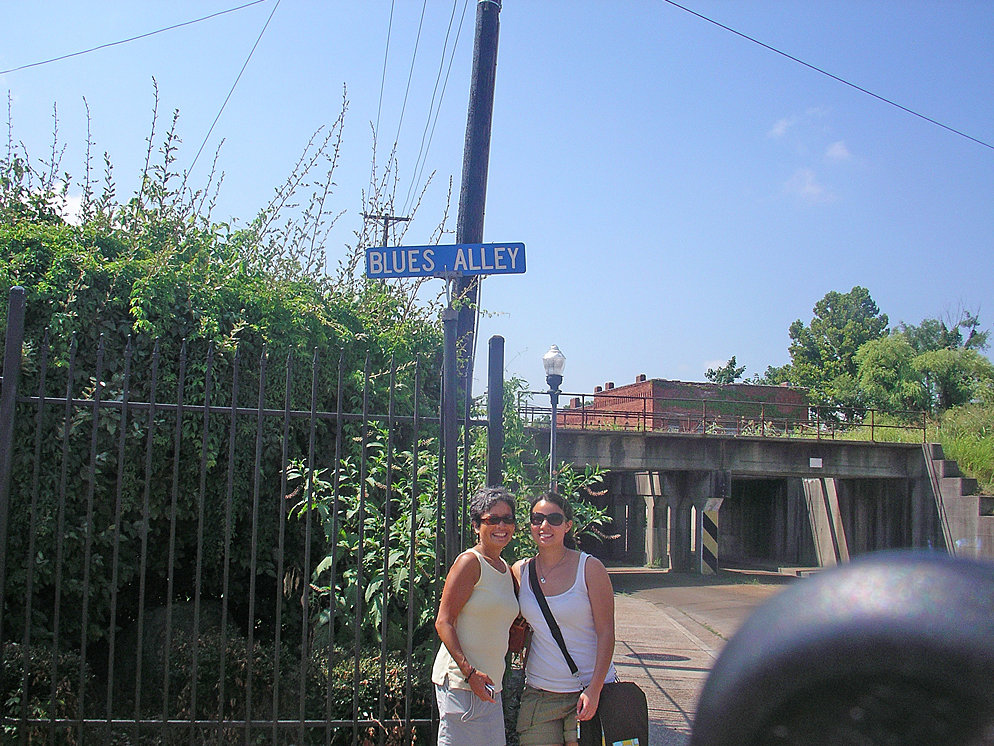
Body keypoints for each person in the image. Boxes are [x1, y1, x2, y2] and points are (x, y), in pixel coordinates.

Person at [513, 492, 617, 746]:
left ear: (568, 525)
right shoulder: (520, 571)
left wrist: (595, 689)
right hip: (540, 693)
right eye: (537, 519)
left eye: (554, 519)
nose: (544, 525)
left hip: (587, 692)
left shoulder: (590, 568)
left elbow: (606, 632)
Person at [432, 487, 520, 746]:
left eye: (507, 519)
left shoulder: (505, 570)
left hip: (490, 686)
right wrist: (469, 673)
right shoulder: (470, 562)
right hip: (462, 684)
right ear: (475, 526)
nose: (501, 526)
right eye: (493, 519)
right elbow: (443, 621)